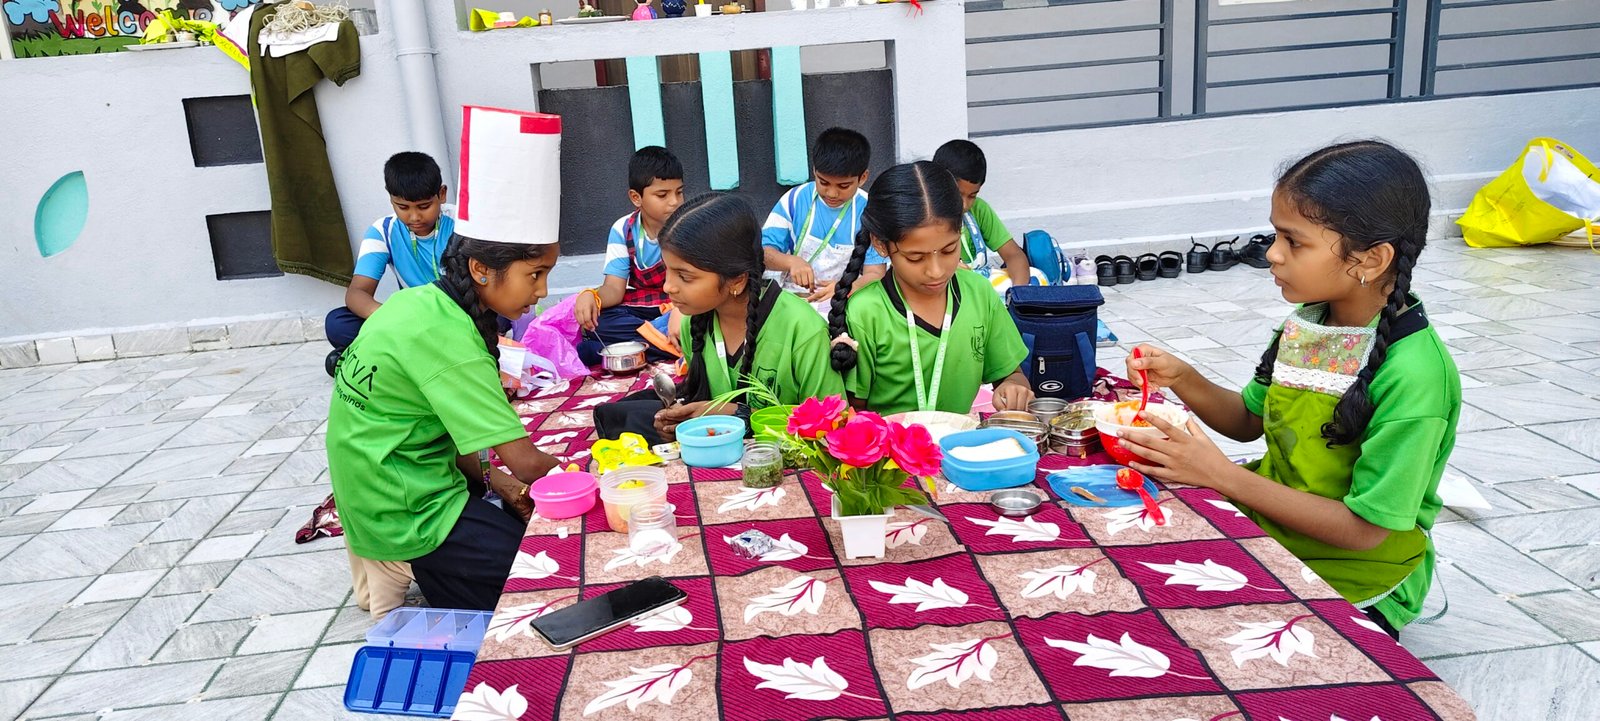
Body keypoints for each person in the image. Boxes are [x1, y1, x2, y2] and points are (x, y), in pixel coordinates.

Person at [1117, 140, 1458, 639]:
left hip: (1355, 572)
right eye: (1275, 235)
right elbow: (1248, 420)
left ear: (1371, 259)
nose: (1272, 254)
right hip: (1269, 527)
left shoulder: (1415, 376)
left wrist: (1221, 477)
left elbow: (1365, 529)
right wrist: (1183, 378)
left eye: (1294, 242)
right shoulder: (1307, 325)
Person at [327, 106, 566, 611]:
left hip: (377, 486)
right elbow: (527, 461)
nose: (542, 292)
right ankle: (408, 561)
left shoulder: (422, 301)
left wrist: (500, 484)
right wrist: (597, 483)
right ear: (480, 270)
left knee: (509, 542)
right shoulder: (451, 340)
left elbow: (451, 435)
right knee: (549, 568)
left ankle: (431, 568)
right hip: (402, 505)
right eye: (534, 275)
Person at [595, 193, 846, 445]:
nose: (668, 286)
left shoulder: (803, 330)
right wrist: (685, 421)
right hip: (719, 454)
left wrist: (740, 415)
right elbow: (704, 404)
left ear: (737, 281)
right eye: (667, 271)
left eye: (685, 276)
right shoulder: (692, 322)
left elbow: (834, 425)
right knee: (627, 416)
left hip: (785, 456)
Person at [828, 161, 1036, 416]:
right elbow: (853, 414)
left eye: (949, 250)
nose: (936, 271)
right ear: (881, 245)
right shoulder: (866, 312)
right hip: (889, 442)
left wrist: (1014, 387)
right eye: (916, 257)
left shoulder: (979, 294)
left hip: (960, 438)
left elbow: (1010, 374)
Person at [324, 152, 454, 376]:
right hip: (412, 321)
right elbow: (357, 293)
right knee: (338, 323)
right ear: (391, 199)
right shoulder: (382, 231)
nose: (414, 217)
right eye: (403, 207)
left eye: (424, 206)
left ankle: (386, 358)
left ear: (441, 194)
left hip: (458, 315)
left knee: (496, 319)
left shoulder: (463, 224)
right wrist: (395, 319)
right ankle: (423, 355)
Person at [576, 146, 686, 366]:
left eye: (679, 192)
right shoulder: (623, 229)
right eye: (662, 195)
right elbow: (614, 290)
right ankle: (663, 345)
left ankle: (612, 350)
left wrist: (682, 311)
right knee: (600, 322)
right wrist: (591, 295)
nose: (674, 201)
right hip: (644, 308)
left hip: (684, 305)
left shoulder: (690, 225)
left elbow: (700, 284)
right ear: (636, 198)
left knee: (700, 321)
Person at [762, 127, 888, 312]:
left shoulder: (870, 211)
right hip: (788, 301)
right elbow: (763, 253)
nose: (832, 193)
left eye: (843, 186)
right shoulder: (794, 200)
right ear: (814, 170)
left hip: (841, 304)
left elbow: (875, 273)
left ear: (863, 178)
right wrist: (790, 262)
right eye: (823, 182)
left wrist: (845, 288)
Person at [931, 139, 1032, 289]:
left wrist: (1018, 292)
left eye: (972, 196)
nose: (965, 205)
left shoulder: (978, 210)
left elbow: (1014, 255)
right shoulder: (925, 215)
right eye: (957, 194)